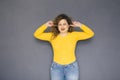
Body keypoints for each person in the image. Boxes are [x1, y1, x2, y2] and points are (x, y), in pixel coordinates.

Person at [33, 14, 95, 80]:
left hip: (72, 67)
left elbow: (91, 34)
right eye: (60, 24)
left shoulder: (74, 35)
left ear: (68, 25)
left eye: (64, 24)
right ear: (57, 26)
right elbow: (36, 34)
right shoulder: (52, 36)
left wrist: (80, 25)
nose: (62, 26)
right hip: (57, 68)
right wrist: (45, 25)